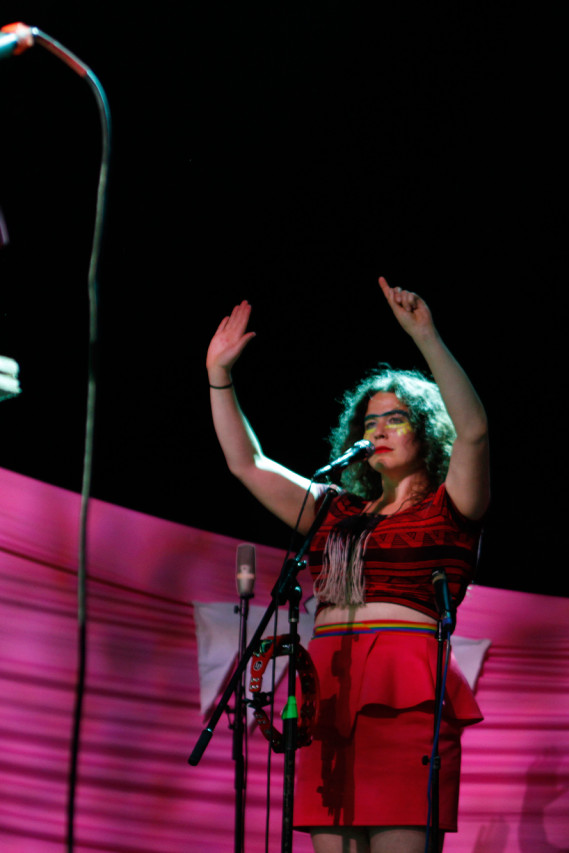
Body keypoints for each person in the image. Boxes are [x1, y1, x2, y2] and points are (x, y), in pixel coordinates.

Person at [207, 277, 490, 853]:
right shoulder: (335, 511)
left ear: (428, 431)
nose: (379, 430)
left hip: (403, 694)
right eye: (370, 422)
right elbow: (249, 464)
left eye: (396, 419)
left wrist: (427, 338)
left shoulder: (452, 505)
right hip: (327, 692)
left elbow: (477, 433)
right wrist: (220, 376)